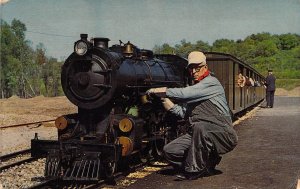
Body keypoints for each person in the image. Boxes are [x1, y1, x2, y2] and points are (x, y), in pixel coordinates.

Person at [147, 51, 238, 180]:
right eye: (191, 68)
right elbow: (184, 113)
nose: (194, 71)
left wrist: (160, 90)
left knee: (200, 127)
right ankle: (207, 163)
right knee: (169, 151)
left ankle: (194, 171)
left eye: (197, 67)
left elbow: (184, 94)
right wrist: (166, 103)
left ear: (205, 67)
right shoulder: (196, 88)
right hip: (199, 133)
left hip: (223, 133)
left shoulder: (211, 83)